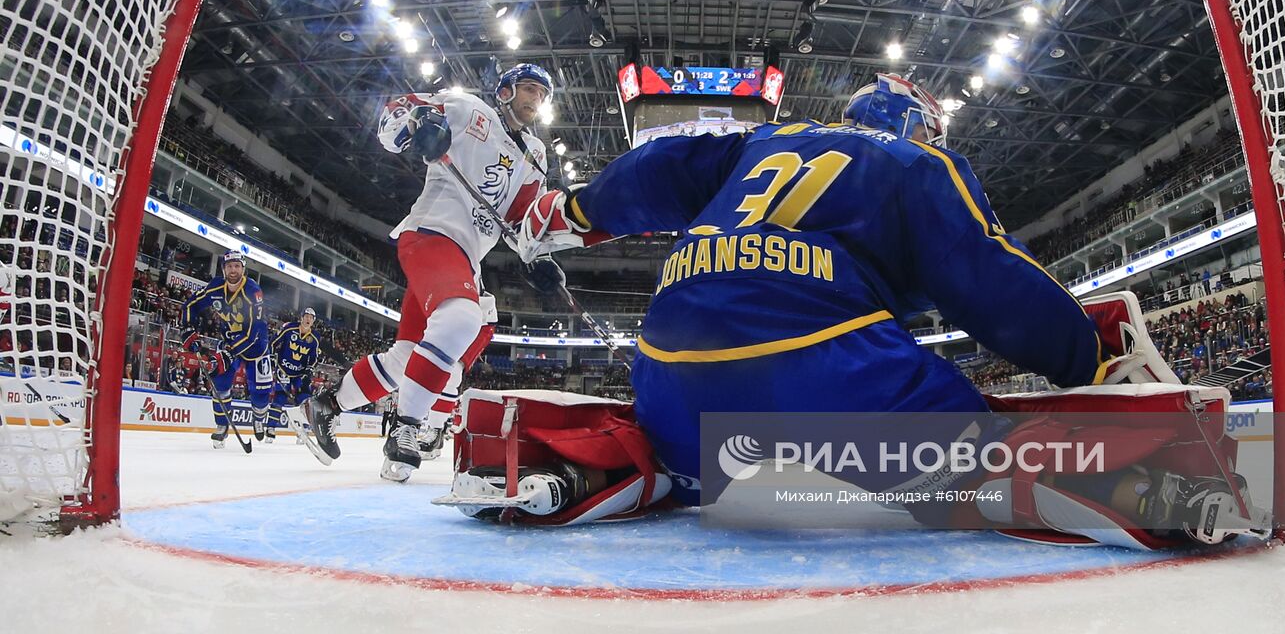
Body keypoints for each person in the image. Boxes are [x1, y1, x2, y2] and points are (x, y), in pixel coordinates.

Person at [519, 73, 1108, 500]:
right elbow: (989, 278)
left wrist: (578, 208)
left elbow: (657, 165)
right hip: (817, 367)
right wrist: (1091, 361)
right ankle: (1087, 480)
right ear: (911, 123)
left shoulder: (762, 140)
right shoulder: (917, 164)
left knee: (696, 430)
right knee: (975, 439)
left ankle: (644, 468)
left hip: (667, 373)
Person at [302, 65, 553, 481]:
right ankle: (405, 430)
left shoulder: (536, 157)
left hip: (465, 259)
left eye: (542, 94)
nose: (535, 100)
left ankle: (327, 405)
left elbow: (520, 220)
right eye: (529, 89)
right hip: (432, 234)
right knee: (463, 320)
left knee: (409, 355)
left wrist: (539, 255)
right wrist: (416, 128)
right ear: (505, 91)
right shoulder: (467, 108)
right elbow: (394, 117)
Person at [180, 250, 270, 447]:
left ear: (243, 269)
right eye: (229, 266)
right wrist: (187, 328)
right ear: (224, 269)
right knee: (219, 381)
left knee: (260, 392)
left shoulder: (253, 292)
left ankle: (259, 418)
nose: (233, 270)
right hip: (229, 340)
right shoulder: (215, 287)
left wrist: (230, 352)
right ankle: (222, 425)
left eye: (237, 266)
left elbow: (255, 330)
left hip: (256, 346)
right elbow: (190, 305)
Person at [267, 307, 321, 443]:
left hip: (300, 374)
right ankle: (270, 429)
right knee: (279, 398)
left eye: (311, 317)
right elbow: (273, 342)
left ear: (313, 321)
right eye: (306, 316)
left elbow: (314, 358)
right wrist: (272, 357)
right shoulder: (289, 328)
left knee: (303, 401)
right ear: (301, 318)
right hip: (283, 369)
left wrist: (309, 369)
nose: (308, 319)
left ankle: (302, 431)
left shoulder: (314, 338)